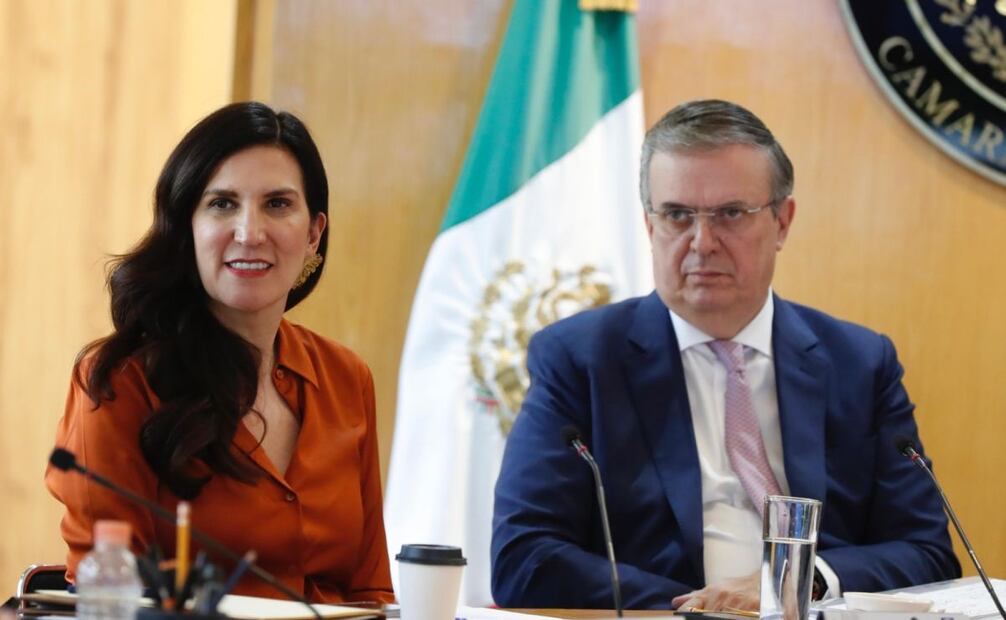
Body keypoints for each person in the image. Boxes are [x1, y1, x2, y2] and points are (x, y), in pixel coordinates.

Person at [491, 99, 960, 610]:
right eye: (677, 215)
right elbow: (525, 558)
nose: (702, 242)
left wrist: (801, 584)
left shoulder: (860, 363)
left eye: (731, 214)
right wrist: (709, 608)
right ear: (650, 226)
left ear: (783, 222)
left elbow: (927, 551)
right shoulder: (579, 359)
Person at [45, 102, 394, 604]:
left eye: (277, 204)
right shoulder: (117, 382)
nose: (250, 233)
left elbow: (370, 588)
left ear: (315, 232)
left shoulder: (346, 377)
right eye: (222, 204)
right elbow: (110, 596)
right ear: (187, 226)